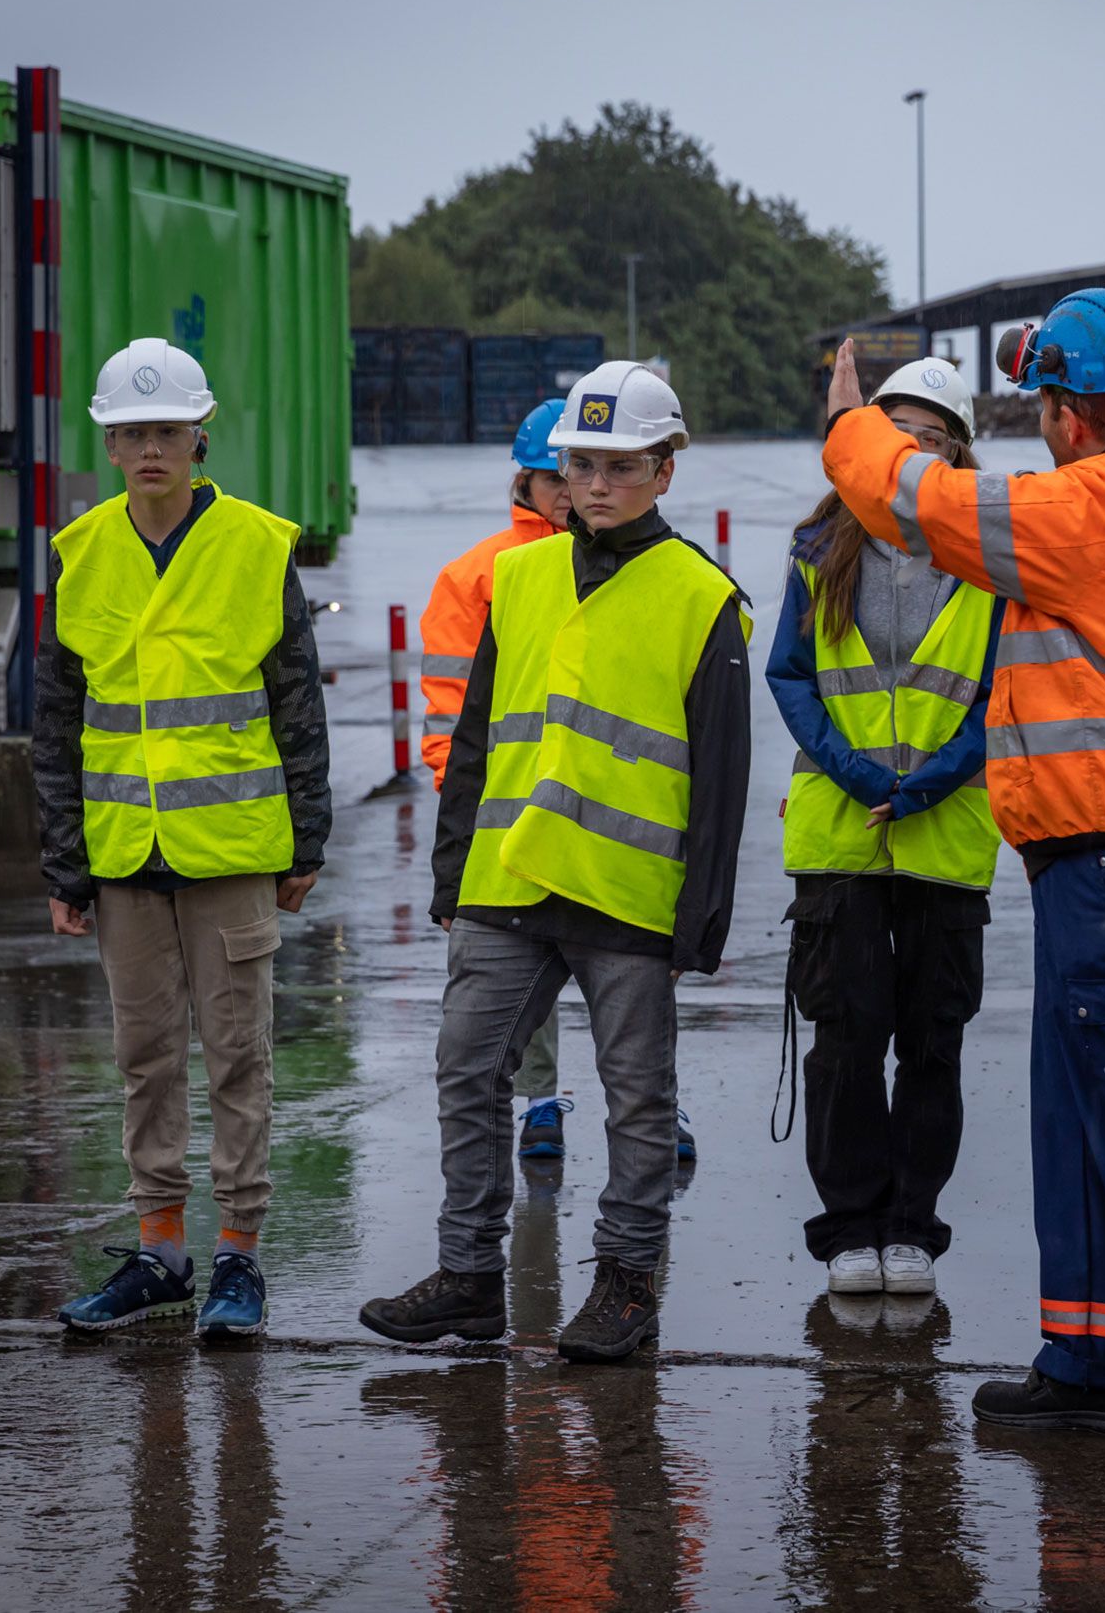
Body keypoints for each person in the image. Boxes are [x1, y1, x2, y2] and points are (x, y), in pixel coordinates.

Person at [821, 289, 1105, 1469]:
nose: (1039, 427)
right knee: (1083, 1115)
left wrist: (850, 422)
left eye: (1043, 407)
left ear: (1072, 416)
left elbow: (916, 500)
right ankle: (1096, 1355)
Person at [362, 360, 751, 1364]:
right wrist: (452, 878)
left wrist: (698, 922)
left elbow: (720, 779)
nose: (597, 484)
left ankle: (625, 1285)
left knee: (638, 1099)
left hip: (627, 894)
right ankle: (469, 1277)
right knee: (465, 1070)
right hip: (506, 880)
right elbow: (480, 737)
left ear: (665, 472)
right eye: (581, 464)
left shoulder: (702, 598)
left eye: (620, 465)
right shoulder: (520, 579)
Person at [39, 337, 331, 1340]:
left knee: (238, 1057)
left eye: (165, 431)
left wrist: (308, 841)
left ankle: (238, 1262)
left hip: (234, 854)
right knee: (145, 1058)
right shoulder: (80, 555)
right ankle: (160, 1254)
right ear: (109, 446)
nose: (149, 448)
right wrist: (64, 864)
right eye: (131, 433)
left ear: (198, 437)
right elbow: (59, 721)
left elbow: (296, 701)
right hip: (125, 858)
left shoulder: (255, 545)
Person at [770, 355, 1002, 1299]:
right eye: (894, 427)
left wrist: (934, 779)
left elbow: (1004, 688)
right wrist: (862, 772)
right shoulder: (818, 543)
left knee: (932, 1039)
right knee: (847, 1036)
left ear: (957, 450)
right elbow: (790, 674)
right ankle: (849, 1228)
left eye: (931, 433)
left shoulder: (990, 552)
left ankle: (914, 1225)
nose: (911, 446)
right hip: (840, 832)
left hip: (946, 835)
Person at [416, 398, 605, 1166]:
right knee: (516, 980)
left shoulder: (632, 567)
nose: (568, 489)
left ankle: (655, 1105)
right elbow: (449, 717)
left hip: (605, 811)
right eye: (551, 474)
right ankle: (541, 1104)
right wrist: (468, 813)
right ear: (523, 482)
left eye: (579, 469)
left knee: (626, 975)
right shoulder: (478, 576)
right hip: (507, 817)